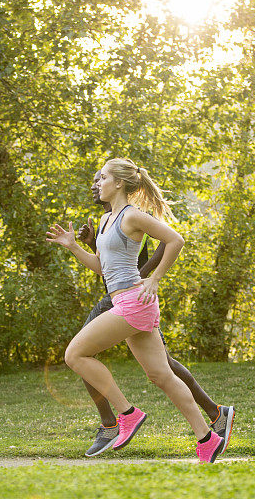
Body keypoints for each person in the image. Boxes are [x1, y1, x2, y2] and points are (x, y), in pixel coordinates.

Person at [46, 158, 227, 463]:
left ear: (118, 183)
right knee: (161, 375)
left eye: (102, 178)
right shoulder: (105, 221)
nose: (97, 183)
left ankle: (127, 414)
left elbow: (175, 240)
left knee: (75, 354)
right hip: (128, 302)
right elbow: (103, 269)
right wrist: (74, 247)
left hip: (134, 301)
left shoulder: (132, 216)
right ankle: (207, 438)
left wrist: (154, 279)